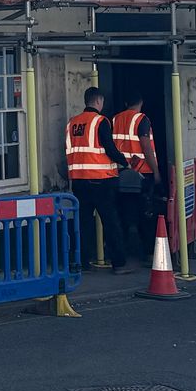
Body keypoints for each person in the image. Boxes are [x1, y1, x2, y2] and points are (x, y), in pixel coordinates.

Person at [65, 86, 135, 271]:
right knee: (111, 222)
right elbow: (110, 149)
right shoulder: (100, 121)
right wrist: (125, 162)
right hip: (100, 180)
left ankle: (82, 262)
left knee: (83, 223)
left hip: (78, 181)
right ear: (98, 101)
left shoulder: (72, 123)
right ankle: (119, 263)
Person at [111, 96, 165, 264]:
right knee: (146, 214)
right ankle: (148, 253)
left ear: (126, 102)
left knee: (124, 213)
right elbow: (146, 146)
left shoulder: (115, 119)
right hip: (142, 173)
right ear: (141, 102)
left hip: (121, 172)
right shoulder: (142, 119)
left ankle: (125, 252)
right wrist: (156, 171)